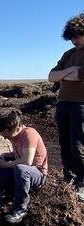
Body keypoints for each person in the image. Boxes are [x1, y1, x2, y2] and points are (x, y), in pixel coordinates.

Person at [0, 112, 48, 224]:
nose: (6, 139)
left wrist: (4, 165)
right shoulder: (15, 136)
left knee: (21, 169)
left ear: (18, 129)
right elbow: (19, 153)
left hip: (37, 173)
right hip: (21, 172)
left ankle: (20, 208)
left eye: (7, 136)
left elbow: (27, 161)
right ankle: (10, 193)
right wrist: (5, 155)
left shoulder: (29, 134)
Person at [48, 13, 84, 200]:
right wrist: (71, 70)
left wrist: (64, 74)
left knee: (79, 145)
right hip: (63, 103)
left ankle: (82, 182)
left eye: (77, 36)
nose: (73, 40)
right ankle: (68, 179)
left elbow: (80, 77)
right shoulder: (69, 55)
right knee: (65, 145)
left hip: (81, 105)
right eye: (71, 37)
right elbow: (51, 76)